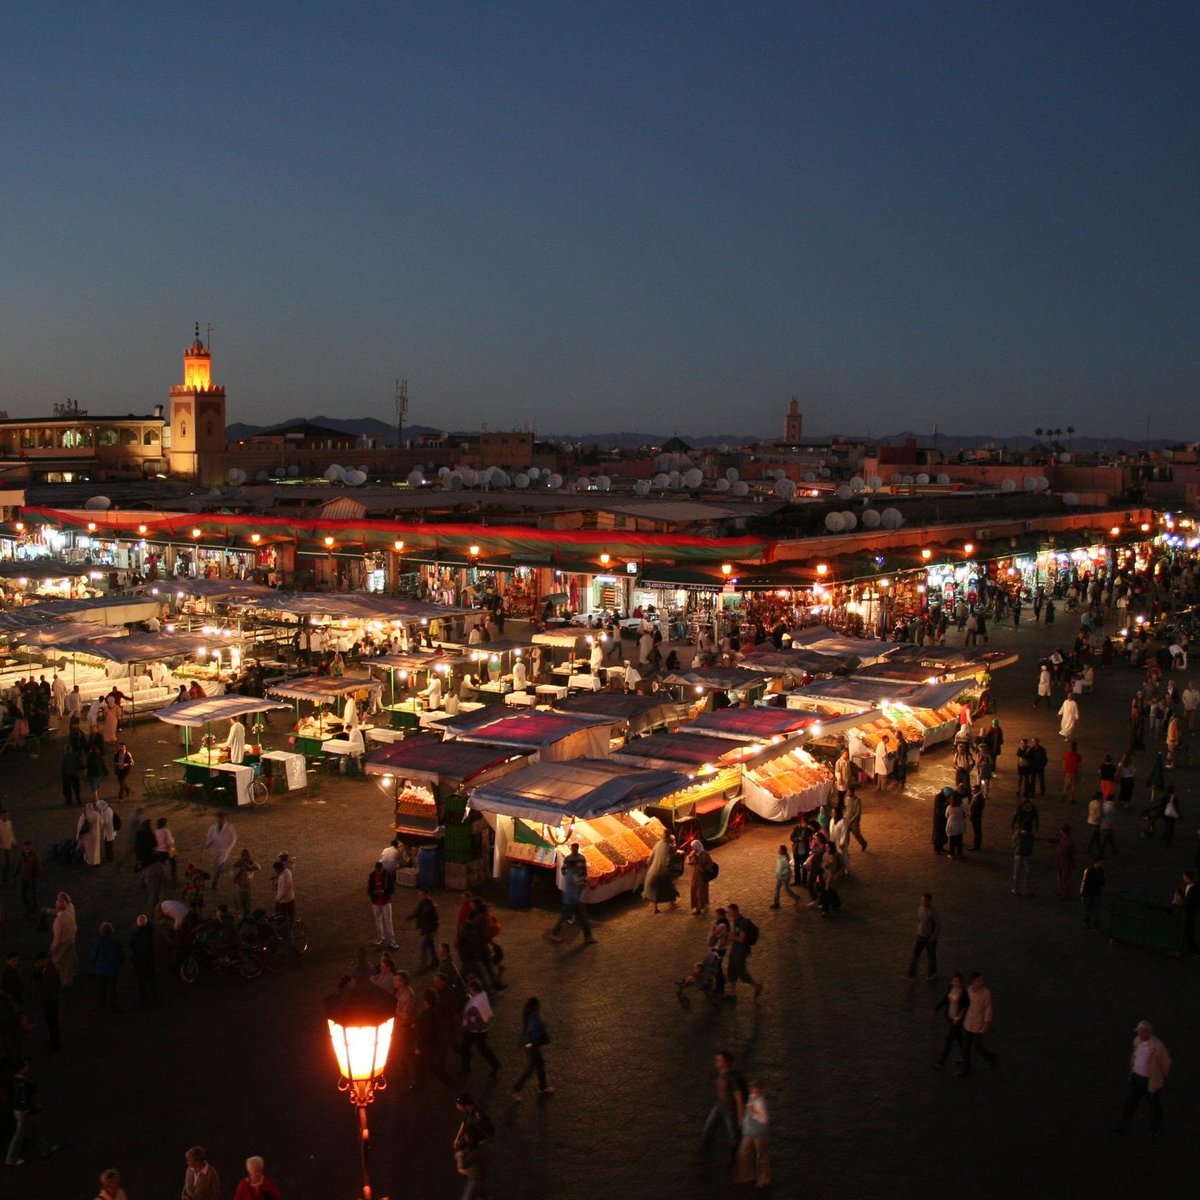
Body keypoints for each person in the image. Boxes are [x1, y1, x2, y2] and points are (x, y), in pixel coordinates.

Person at [1110, 1021, 1171, 1138]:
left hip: (1150, 1081)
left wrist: (1159, 1077)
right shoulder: (1137, 1041)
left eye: (1140, 1031)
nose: (1138, 1033)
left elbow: (1166, 1062)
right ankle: (1122, 1126)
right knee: (1130, 1104)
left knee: (1154, 1107)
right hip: (1137, 1078)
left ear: (1147, 1032)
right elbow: (1135, 1057)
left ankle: (1155, 1130)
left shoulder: (1157, 1046)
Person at [5, 1060, 56, 1165]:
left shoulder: (15, 1081)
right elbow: (24, 1099)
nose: (27, 1068)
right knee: (20, 1134)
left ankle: (45, 1148)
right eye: (26, 1066)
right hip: (24, 1111)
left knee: (34, 1129)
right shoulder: (22, 1084)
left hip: (20, 1110)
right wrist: (31, 1109)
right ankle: (11, 1158)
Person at [701, 1050, 747, 1164]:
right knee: (707, 1130)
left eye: (719, 1060)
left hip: (730, 1110)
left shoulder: (733, 1077)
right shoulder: (721, 1072)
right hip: (719, 1106)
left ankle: (736, 1161)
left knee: (734, 1137)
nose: (716, 1061)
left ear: (726, 1063)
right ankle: (706, 1155)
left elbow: (738, 1097)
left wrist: (740, 1116)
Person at [549, 843, 596, 944]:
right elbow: (573, 887)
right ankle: (555, 934)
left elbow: (582, 875)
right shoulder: (571, 875)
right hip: (571, 900)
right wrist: (577, 896)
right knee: (569, 917)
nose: (578, 868)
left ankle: (588, 937)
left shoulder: (574, 872)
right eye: (576, 866)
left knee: (581, 918)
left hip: (572, 900)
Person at [510, 995, 554, 1100]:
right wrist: (542, 1026)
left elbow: (524, 1030)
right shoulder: (534, 1018)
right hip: (532, 1046)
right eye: (538, 1005)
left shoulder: (529, 1015)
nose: (540, 1006)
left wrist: (520, 1043)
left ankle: (543, 1087)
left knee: (540, 1065)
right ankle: (516, 1089)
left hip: (530, 1045)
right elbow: (532, 1034)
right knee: (531, 1069)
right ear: (535, 1006)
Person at [452, 1092, 494, 1198]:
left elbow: (490, 1133)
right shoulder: (468, 1112)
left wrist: (481, 1144)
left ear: (466, 1105)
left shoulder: (480, 1117)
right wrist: (457, 1138)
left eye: (459, 1106)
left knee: (475, 1175)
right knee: (476, 1180)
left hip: (476, 1146)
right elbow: (464, 1122)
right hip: (470, 1144)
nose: (457, 1108)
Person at [733, 1081, 771, 1188]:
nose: (751, 1090)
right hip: (749, 1132)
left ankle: (764, 1179)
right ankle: (746, 1175)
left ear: (759, 1090)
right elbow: (748, 1111)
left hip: (759, 1133)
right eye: (751, 1088)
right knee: (743, 1153)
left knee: (761, 1156)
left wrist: (754, 1113)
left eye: (754, 1088)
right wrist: (744, 1120)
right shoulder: (752, 1097)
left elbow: (765, 1120)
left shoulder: (761, 1102)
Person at [960, 971, 998, 1074]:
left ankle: (992, 1058)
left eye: (981, 980)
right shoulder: (968, 991)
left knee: (977, 1048)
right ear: (973, 982)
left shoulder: (986, 993)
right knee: (966, 1047)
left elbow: (988, 1009)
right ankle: (966, 1068)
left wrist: (986, 1023)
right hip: (969, 1022)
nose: (981, 982)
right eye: (979, 981)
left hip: (979, 1024)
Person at [460, 978, 501, 1074]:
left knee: (482, 1050)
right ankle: (465, 1068)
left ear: (474, 990)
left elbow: (476, 1017)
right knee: (467, 1047)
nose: (468, 990)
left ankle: (496, 1065)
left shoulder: (475, 1004)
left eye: (470, 989)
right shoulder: (482, 996)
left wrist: (468, 1017)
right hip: (478, 1029)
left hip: (477, 1031)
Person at [932, 972, 971, 1069]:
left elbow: (965, 1006)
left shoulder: (964, 993)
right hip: (950, 1018)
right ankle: (964, 1056)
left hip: (957, 1021)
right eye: (953, 981)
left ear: (961, 982)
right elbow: (946, 999)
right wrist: (936, 1009)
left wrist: (958, 1018)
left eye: (956, 981)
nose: (954, 983)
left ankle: (942, 1062)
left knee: (949, 1040)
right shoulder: (951, 988)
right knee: (959, 1038)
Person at [726, 903, 762, 999]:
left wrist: (731, 936)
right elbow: (734, 936)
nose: (728, 914)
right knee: (731, 969)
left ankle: (756, 986)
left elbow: (741, 939)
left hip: (741, 950)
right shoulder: (735, 921)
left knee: (741, 972)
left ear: (735, 911)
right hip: (735, 949)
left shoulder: (743, 923)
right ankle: (732, 993)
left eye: (729, 912)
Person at [91, 921, 124, 1013]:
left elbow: (94, 955)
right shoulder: (115, 942)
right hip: (113, 968)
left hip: (101, 969)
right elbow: (121, 955)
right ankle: (113, 1005)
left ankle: (102, 1004)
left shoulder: (99, 942)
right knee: (112, 988)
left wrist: (94, 964)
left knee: (102, 987)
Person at [906, 892, 941, 980]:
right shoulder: (920, 909)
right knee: (915, 955)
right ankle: (911, 973)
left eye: (924, 900)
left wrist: (934, 937)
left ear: (929, 901)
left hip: (929, 938)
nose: (922, 901)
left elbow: (938, 924)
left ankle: (932, 973)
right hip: (920, 936)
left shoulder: (933, 912)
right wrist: (919, 930)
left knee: (931, 957)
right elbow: (920, 921)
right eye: (921, 900)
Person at [32, 954, 61, 1053]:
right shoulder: (46, 969)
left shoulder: (51, 973)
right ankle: (54, 1041)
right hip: (48, 999)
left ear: (45, 961)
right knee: (51, 1022)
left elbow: (43, 984)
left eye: (40, 962)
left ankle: (55, 1043)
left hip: (50, 1000)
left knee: (52, 1022)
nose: (38, 965)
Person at [643, 832, 678, 914]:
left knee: (655, 889)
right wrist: (668, 869)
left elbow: (650, 858)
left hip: (653, 870)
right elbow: (669, 860)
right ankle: (672, 902)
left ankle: (655, 908)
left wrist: (650, 866)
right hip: (662, 870)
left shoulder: (657, 844)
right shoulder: (669, 847)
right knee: (669, 886)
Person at [48, 892, 78, 988]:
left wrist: (53, 948)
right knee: (69, 961)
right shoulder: (69, 914)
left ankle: (62, 981)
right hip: (70, 939)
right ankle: (69, 981)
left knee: (56, 961)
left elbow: (57, 938)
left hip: (63, 942)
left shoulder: (58, 921)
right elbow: (75, 928)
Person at [367, 860, 398, 949]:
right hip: (377, 901)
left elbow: (392, 888)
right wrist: (375, 892)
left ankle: (391, 941)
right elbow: (369, 889)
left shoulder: (387, 876)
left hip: (385, 901)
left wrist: (383, 891)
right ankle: (381, 938)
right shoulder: (373, 876)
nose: (379, 872)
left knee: (387, 922)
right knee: (378, 921)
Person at [130, 913, 158, 1007]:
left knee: (142, 982)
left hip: (140, 961)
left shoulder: (136, 935)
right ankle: (156, 999)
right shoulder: (150, 933)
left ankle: (145, 1001)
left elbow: (133, 947)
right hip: (149, 960)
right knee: (152, 981)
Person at [408, 888, 440, 970]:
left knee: (423, 946)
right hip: (426, 929)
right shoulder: (423, 903)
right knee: (430, 945)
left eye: (421, 895)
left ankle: (423, 965)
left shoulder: (430, 905)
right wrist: (409, 918)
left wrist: (434, 930)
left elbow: (435, 918)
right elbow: (417, 912)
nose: (420, 896)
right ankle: (435, 961)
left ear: (426, 895)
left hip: (428, 929)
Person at [205, 812, 238, 889]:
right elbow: (210, 836)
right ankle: (228, 870)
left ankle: (214, 883)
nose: (220, 820)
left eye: (221, 819)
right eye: (218, 819)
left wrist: (229, 847)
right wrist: (209, 842)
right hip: (216, 850)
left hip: (225, 851)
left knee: (219, 867)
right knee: (218, 866)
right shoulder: (213, 827)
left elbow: (234, 838)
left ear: (224, 819)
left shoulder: (229, 828)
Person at [686, 838, 713, 915]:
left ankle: (701, 907)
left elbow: (709, 864)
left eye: (693, 847)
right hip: (695, 876)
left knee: (700, 893)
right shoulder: (693, 854)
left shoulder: (705, 854)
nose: (693, 849)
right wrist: (690, 857)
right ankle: (698, 908)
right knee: (694, 890)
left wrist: (704, 869)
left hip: (702, 876)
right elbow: (689, 862)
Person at [1011, 823, 1035, 897]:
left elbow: (1013, 842)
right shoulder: (1030, 836)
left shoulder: (1017, 834)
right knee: (1027, 872)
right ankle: (1026, 890)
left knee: (1017, 872)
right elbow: (1031, 846)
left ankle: (1016, 889)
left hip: (1018, 854)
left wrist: (1015, 850)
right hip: (1026, 855)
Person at [1055, 825, 1076, 901]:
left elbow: (1072, 854)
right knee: (1061, 877)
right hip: (1061, 861)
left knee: (1065, 879)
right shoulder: (1064, 840)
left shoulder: (1068, 842)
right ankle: (1062, 891)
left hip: (1065, 863)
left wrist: (1073, 863)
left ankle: (1065, 893)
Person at [968, 785, 986, 852]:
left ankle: (976, 845)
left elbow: (976, 809)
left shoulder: (979, 798)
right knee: (977, 831)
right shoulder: (977, 796)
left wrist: (971, 815)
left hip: (976, 817)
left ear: (977, 790)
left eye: (973, 790)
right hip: (976, 816)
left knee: (977, 831)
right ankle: (976, 844)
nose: (972, 791)